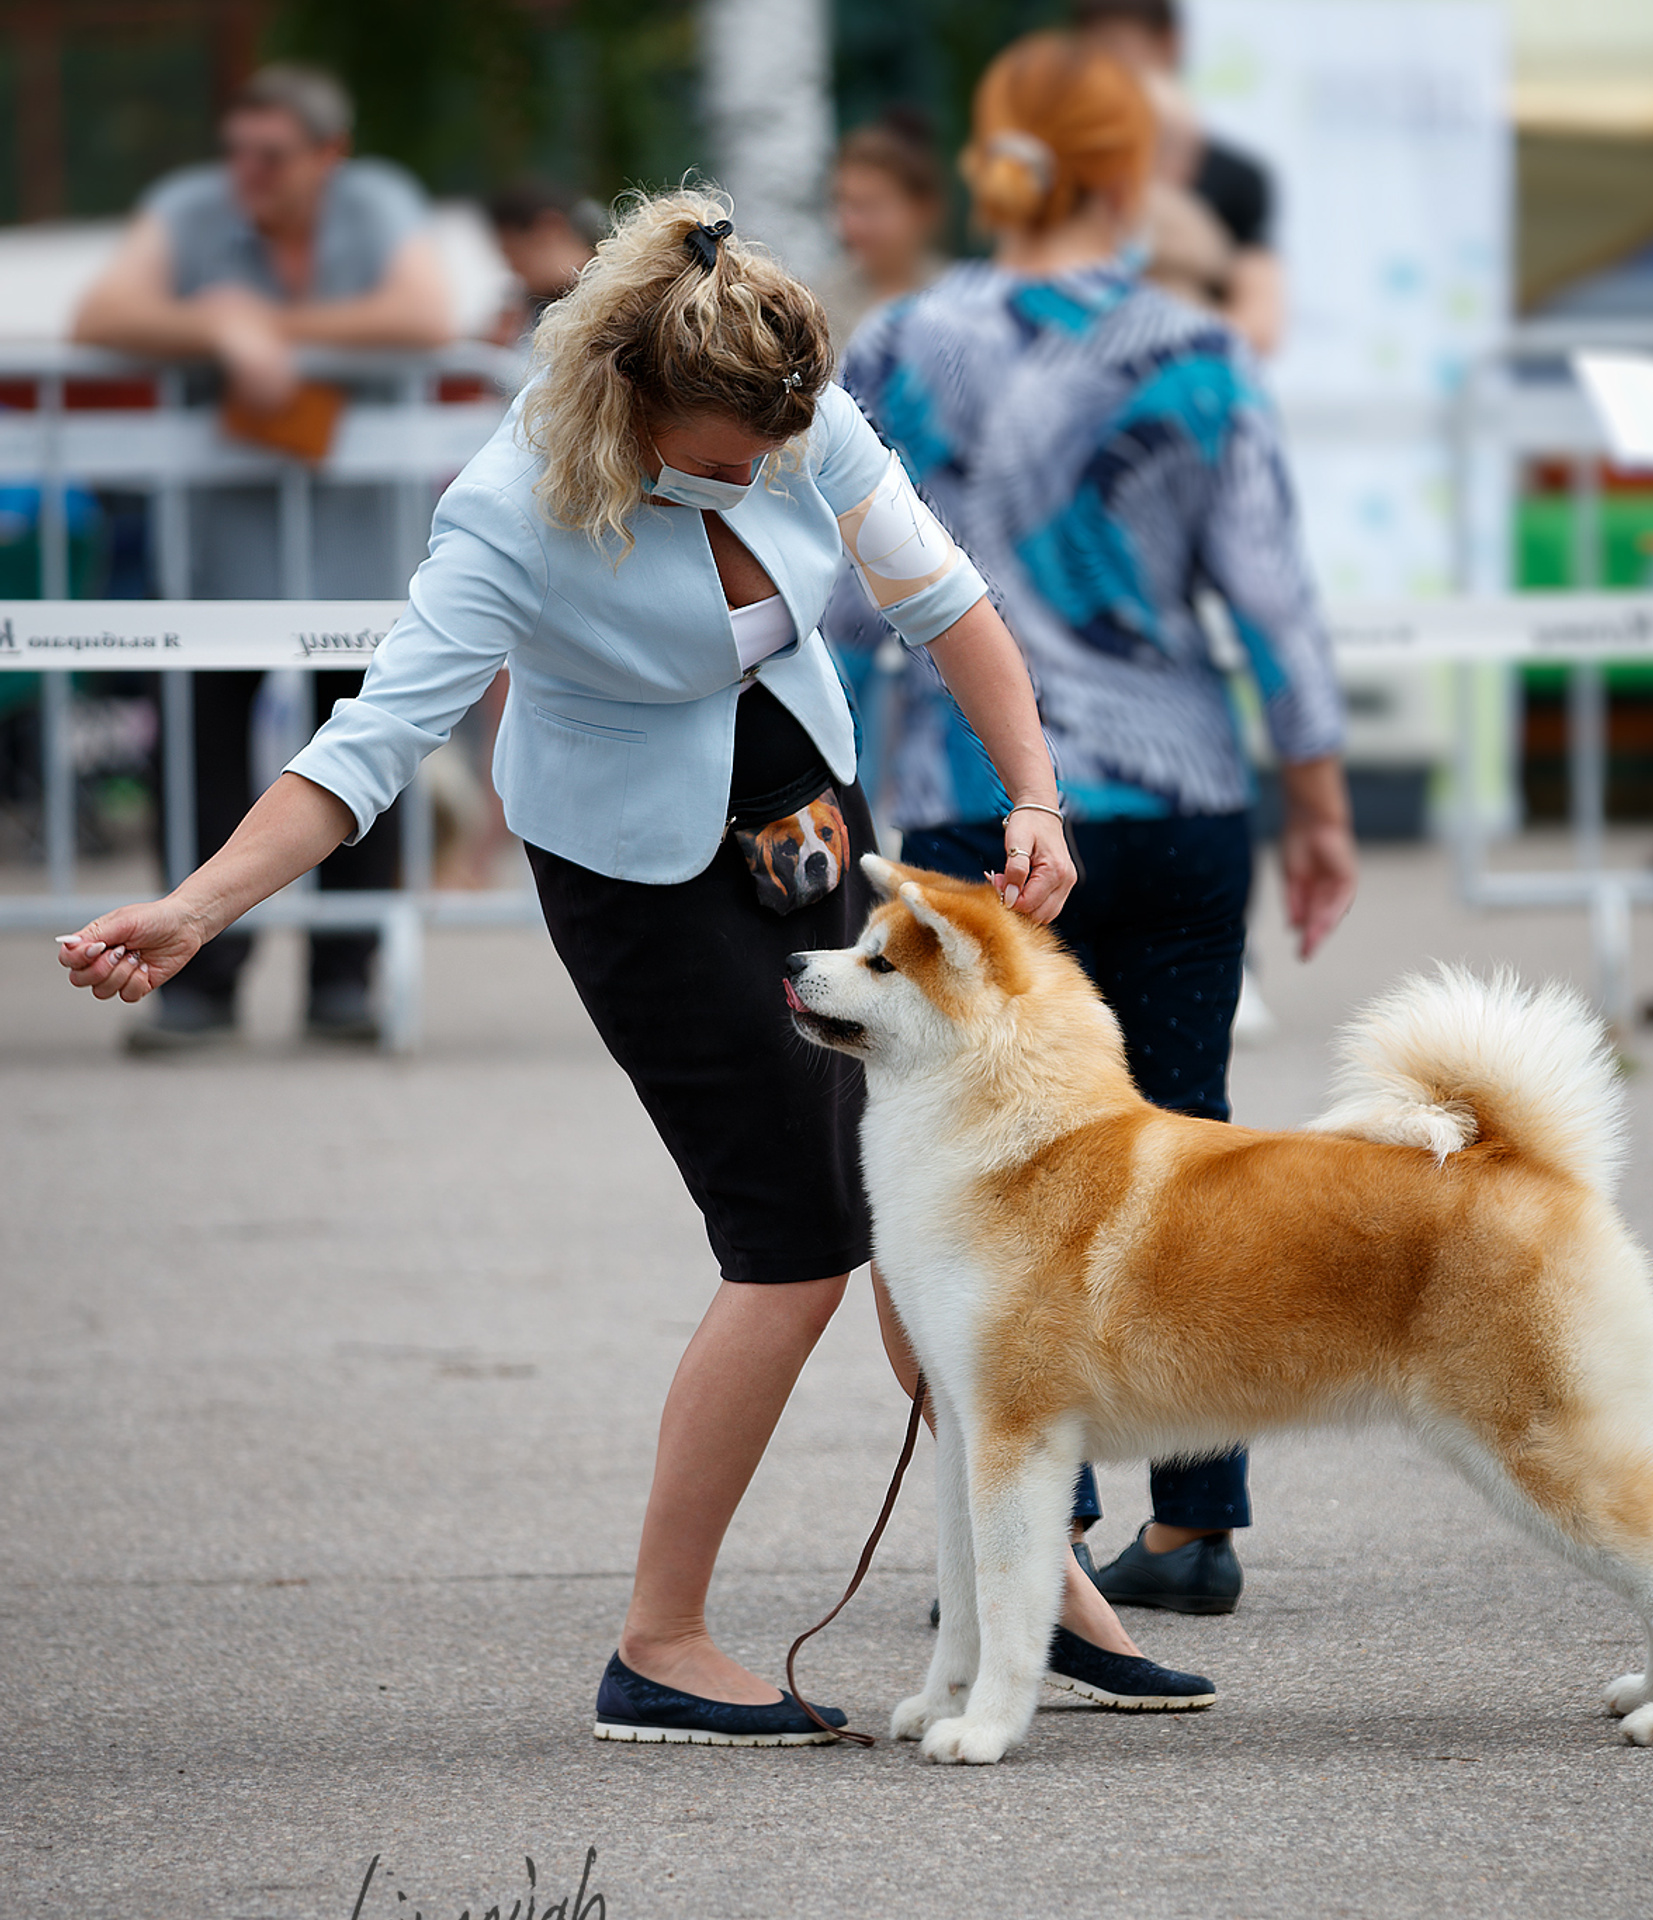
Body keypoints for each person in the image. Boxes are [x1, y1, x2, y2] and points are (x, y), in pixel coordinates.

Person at [57, 187, 1206, 1741]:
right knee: (793, 1247)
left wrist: (1037, 796)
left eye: (778, 450)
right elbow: (372, 744)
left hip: (806, 812)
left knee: (929, 1210)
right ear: (631, 404)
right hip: (637, 877)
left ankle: (1037, 1594)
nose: (764, 475)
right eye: (728, 459)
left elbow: (947, 602)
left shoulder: (795, 413)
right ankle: (657, 1646)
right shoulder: (513, 506)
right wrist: (196, 909)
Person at [832, 34, 1356, 1620]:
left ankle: (1029, 1533)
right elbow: (1271, 595)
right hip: (1179, 792)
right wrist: (1319, 797)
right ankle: (1196, 1528)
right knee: (1185, 1144)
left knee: (982, 1166)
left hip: (971, 802)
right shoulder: (1193, 345)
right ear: (1135, 176)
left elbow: (848, 595)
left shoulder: (904, 343)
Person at [70, 63, 455, 1048]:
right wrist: (217, 325)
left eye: (273, 155)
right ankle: (197, 978)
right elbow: (100, 316)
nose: (247, 172)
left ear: (332, 155)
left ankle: (347, 975)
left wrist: (272, 331)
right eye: (236, 150)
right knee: (197, 761)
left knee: (364, 755)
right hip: (213, 554)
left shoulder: (379, 204)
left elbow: (425, 315)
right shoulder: (190, 207)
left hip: (363, 552)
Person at [1072, 0, 1285, 357]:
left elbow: (1261, 325)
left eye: (1114, 46)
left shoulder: (1238, 180)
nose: (1102, 67)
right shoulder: (1076, 170)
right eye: (1089, 50)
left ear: (1168, 44)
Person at [816, 110, 948, 356]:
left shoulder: (962, 302)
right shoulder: (817, 306)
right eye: (843, 204)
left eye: (870, 207)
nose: (850, 225)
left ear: (923, 209)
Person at [485, 179, 604, 344]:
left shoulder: (616, 300)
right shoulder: (530, 308)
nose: (514, 269)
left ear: (550, 228)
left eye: (515, 253)